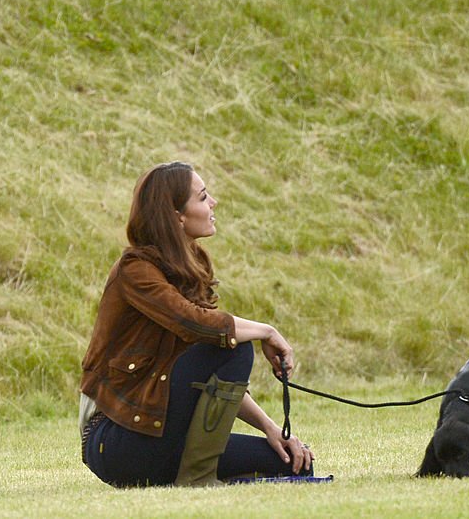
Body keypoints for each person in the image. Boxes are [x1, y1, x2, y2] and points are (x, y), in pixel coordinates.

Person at [79, 161, 316, 487]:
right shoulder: (134, 270)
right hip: (117, 439)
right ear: (176, 214)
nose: (213, 203)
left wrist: (272, 429)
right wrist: (267, 331)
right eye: (203, 197)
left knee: (293, 464)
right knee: (234, 348)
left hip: (168, 436)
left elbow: (212, 371)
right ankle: (198, 479)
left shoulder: (192, 264)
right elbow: (199, 326)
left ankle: (194, 474)